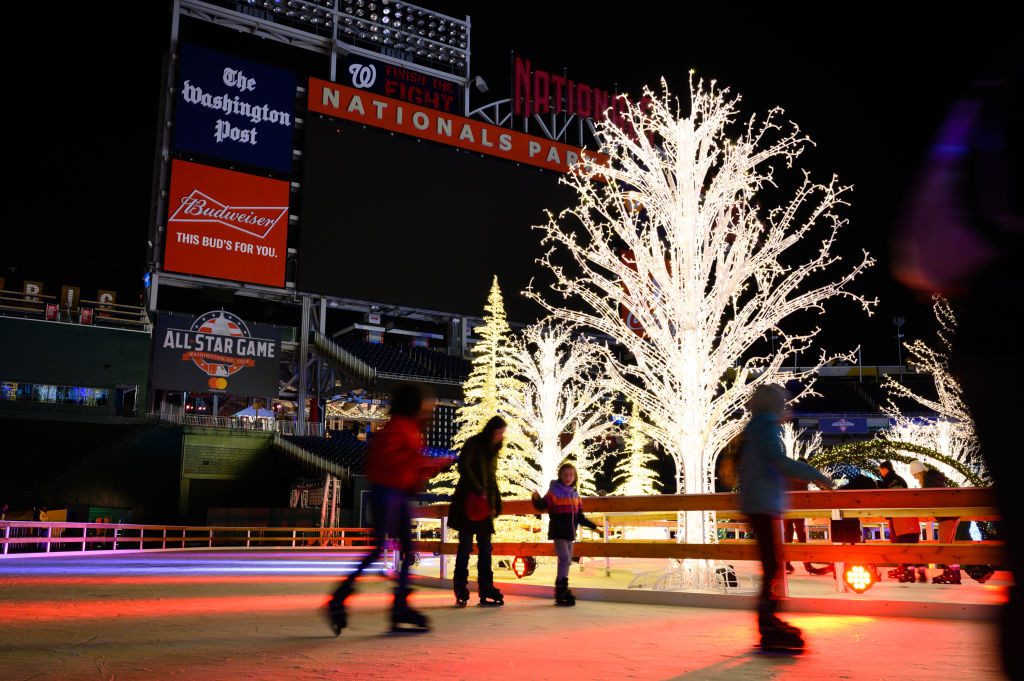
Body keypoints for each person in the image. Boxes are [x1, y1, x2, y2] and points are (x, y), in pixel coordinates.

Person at [325, 384, 451, 634]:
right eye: (424, 402)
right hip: (389, 494)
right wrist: (429, 462)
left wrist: (428, 466)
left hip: (395, 494)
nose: (428, 407)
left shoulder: (406, 427)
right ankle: (348, 600)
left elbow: (405, 465)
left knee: (402, 549)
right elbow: (395, 461)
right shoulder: (399, 427)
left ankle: (394, 605)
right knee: (383, 550)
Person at [737, 385, 833, 651]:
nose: (786, 406)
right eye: (782, 402)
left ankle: (769, 622)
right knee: (771, 568)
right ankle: (767, 625)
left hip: (760, 504)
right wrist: (816, 475)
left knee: (773, 567)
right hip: (762, 505)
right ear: (773, 404)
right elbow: (779, 462)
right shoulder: (765, 429)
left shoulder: (758, 428)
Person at [449, 416, 506, 607]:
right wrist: (478, 490)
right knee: (465, 546)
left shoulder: (493, 451)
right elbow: (464, 466)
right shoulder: (474, 443)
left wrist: (496, 500)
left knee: (486, 548)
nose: (501, 436)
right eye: (499, 432)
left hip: (484, 506)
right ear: (491, 430)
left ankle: (486, 586)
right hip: (468, 502)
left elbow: (491, 477)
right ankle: (460, 587)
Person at [531, 462, 601, 606]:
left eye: (570, 475)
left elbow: (580, 517)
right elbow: (542, 505)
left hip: (570, 533)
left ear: (574, 477)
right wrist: (536, 498)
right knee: (564, 558)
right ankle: (561, 589)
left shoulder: (575, 495)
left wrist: (593, 527)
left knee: (567, 560)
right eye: (565, 475)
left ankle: (562, 588)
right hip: (558, 531)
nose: (568, 477)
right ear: (560, 476)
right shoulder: (555, 492)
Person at [878, 461, 923, 583]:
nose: (880, 473)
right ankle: (904, 569)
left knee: (901, 543)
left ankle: (907, 571)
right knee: (899, 543)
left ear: (884, 469)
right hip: (899, 516)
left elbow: (895, 497)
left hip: (900, 517)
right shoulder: (895, 480)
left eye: (880, 471)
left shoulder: (893, 480)